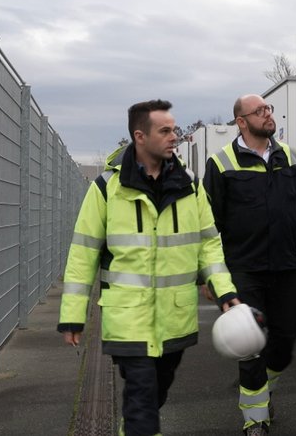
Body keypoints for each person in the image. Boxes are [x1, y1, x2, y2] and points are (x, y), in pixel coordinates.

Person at [58, 99, 242, 436]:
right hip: (127, 319)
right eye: (166, 130)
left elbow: (208, 244)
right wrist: (73, 315)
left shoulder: (190, 187)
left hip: (175, 317)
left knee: (155, 393)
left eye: (175, 129)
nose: (175, 136)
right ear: (140, 136)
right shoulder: (105, 189)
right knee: (142, 398)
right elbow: (83, 253)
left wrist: (224, 290)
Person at [204, 94, 296, 435]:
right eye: (259, 111)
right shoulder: (220, 164)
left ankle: (261, 389)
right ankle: (255, 419)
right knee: (250, 343)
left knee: (284, 341)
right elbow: (208, 227)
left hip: (284, 268)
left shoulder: (290, 157)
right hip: (243, 272)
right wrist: (207, 276)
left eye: (269, 109)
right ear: (242, 122)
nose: (268, 114)